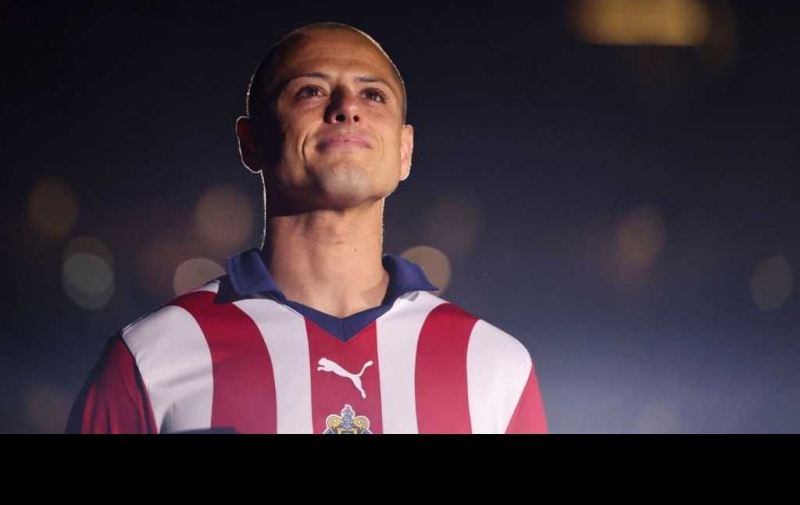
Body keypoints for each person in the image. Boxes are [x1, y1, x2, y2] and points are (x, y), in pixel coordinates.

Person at [67, 22, 548, 434]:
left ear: (405, 150)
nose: (347, 107)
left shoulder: (493, 366)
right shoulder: (151, 358)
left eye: (373, 95)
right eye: (311, 91)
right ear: (250, 141)